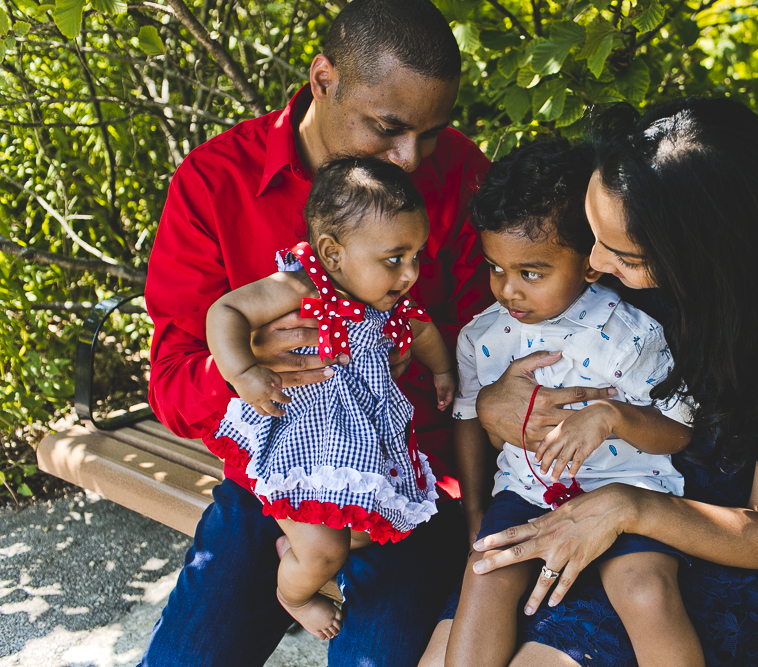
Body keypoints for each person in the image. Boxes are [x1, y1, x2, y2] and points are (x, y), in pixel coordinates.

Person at [422, 98, 758, 667]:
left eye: (622, 255)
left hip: (703, 567)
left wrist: (627, 508)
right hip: (570, 514)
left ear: (702, 252)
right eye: (591, 234)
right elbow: (527, 388)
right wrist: (492, 407)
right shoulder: (618, 271)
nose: (594, 263)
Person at [142, 1, 502, 665]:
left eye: (429, 132)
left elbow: (489, 340)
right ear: (323, 78)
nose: (410, 157)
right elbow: (169, 380)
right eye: (388, 128)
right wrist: (243, 367)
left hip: (412, 485)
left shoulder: (457, 171)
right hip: (276, 484)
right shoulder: (215, 183)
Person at [434, 139, 704, 667]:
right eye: (495, 268)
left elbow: (678, 430)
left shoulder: (629, 336)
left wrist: (611, 418)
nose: (508, 290)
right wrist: (474, 511)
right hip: (526, 493)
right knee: (483, 575)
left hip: (628, 494)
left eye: (531, 273)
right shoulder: (482, 337)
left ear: (589, 264)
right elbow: (467, 417)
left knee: (645, 592)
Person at [204, 158, 456, 640]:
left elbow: (422, 331)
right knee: (328, 551)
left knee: (365, 531)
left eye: (416, 256)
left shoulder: (392, 303)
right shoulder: (302, 287)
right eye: (394, 259)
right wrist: (243, 372)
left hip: (355, 449)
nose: (409, 274)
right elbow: (227, 310)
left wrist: (443, 369)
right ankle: (294, 594)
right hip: (297, 441)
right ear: (332, 253)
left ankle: (291, 551)